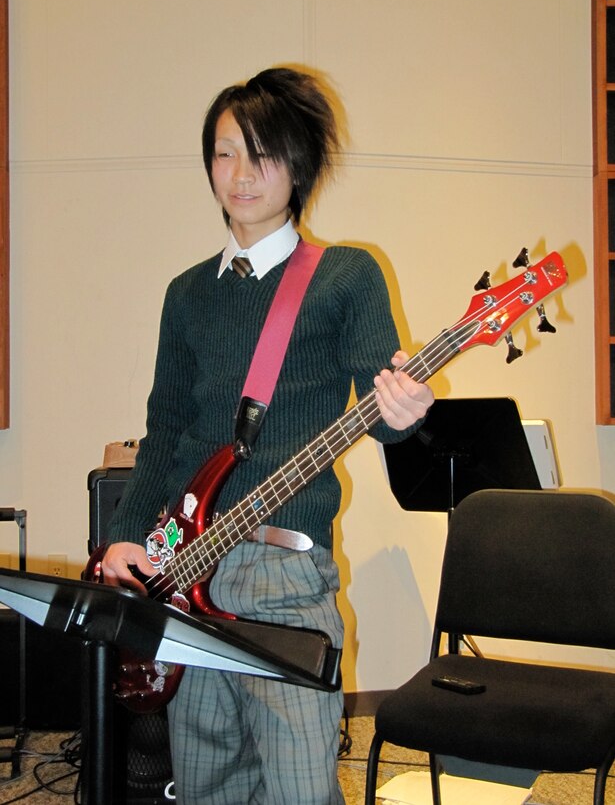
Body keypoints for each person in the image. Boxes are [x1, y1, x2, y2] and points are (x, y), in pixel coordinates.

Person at [102, 66, 434, 805]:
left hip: (284, 577)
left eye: (263, 154)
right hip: (185, 570)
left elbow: (380, 413)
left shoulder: (346, 275)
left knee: (295, 784)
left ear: (300, 166)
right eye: (224, 154)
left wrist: (404, 412)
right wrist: (126, 534)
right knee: (208, 778)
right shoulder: (186, 294)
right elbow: (165, 432)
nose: (242, 174)